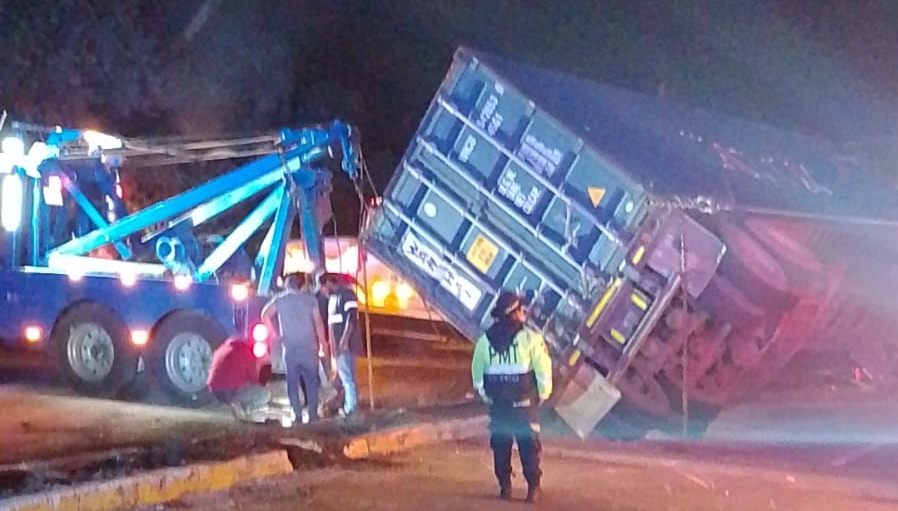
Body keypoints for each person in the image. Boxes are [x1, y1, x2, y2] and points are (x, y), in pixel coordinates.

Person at [471, 291, 553, 503]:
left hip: (499, 404)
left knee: (501, 444)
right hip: (524, 403)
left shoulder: (484, 341)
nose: (524, 314)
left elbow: (477, 374)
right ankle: (533, 489)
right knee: (529, 446)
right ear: (514, 313)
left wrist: (485, 395)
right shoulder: (530, 339)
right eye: (521, 310)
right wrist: (544, 393)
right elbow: (543, 369)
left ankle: (505, 487)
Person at [262, 273, 327, 424]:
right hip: (310, 347)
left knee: (292, 383)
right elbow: (318, 323)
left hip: (290, 348)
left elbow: (265, 314)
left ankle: (296, 414)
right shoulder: (310, 300)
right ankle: (312, 415)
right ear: (302, 285)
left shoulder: (280, 299)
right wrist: (323, 343)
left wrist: (274, 334)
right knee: (311, 382)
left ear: (287, 284)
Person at [320, 273, 362, 418]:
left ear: (328, 283)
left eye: (323, 288)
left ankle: (351, 409)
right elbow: (332, 326)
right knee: (344, 378)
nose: (323, 292)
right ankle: (348, 405)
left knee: (347, 378)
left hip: (346, 346)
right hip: (337, 348)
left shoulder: (347, 295)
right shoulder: (332, 299)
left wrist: (344, 341)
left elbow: (352, 319)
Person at [207, 336, 271, 421]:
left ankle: (237, 405)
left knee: (244, 386)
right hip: (230, 390)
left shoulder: (221, 349)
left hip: (215, 390)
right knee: (264, 394)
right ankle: (244, 409)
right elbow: (253, 378)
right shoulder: (245, 352)